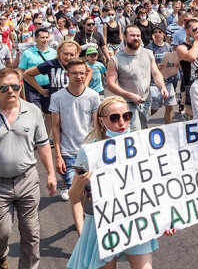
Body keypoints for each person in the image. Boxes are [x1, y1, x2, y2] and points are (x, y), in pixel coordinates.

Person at [0, 68, 57, 269]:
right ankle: (0, 258)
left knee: (31, 233)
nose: (10, 91)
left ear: (20, 87)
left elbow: (42, 144)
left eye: (15, 86)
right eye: (4, 87)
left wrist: (50, 173)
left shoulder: (33, 112)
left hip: (27, 181)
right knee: (0, 234)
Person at [66, 96, 175, 269]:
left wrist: (166, 218)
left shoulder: (141, 144)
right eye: (115, 118)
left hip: (137, 219)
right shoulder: (90, 151)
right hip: (103, 224)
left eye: (127, 116)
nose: (122, 122)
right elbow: (74, 198)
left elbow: (155, 185)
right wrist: (80, 183)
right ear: (102, 121)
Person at [50, 58, 100, 234]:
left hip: (89, 151)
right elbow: (55, 127)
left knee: (90, 192)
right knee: (75, 193)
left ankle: (85, 222)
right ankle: (82, 234)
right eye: (74, 73)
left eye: (82, 73)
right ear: (67, 74)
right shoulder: (57, 97)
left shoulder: (93, 96)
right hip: (69, 153)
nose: (79, 76)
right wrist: (58, 155)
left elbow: (96, 126)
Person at [107, 25, 168, 129]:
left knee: (143, 129)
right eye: (132, 35)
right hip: (128, 103)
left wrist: (162, 87)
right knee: (136, 131)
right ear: (124, 37)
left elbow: (156, 73)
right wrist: (129, 95)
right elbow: (110, 84)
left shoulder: (148, 54)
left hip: (146, 101)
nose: (136, 38)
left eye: (138, 35)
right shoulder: (115, 59)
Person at [18, 28, 57, 136]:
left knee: (48, 114)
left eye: (46, 37)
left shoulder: (54, 53)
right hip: (32, 87)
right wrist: (17, 84)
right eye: (42, 37)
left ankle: (44, 137)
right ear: (36, 38)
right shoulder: (27, 53)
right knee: (35, 113)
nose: (45, 40)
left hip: (50, 87)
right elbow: (21, 69)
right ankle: (33, 136)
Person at [177, 19, 198, 119]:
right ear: (187, 31)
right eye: (194, 29)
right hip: (190, 86)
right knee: (192, 118)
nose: (197, 31)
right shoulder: (182, 47)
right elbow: (192, 57)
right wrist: (196, 41)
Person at [146, 23, 178, 124]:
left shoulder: (168, 47)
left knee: (169, 107)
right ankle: (142, 122)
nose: (157, 34)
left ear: (164, 34)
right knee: (154, 108)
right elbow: (144, 65)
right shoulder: (149, 48)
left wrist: (175, 66)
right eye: (155, 32)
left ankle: (168, 128)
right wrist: (155, 67)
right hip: (153, 83)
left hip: (167, 81)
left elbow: (172, 61)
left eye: (160, 32)